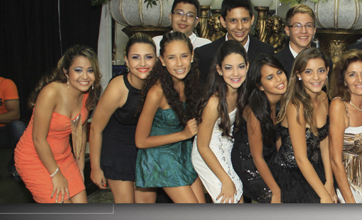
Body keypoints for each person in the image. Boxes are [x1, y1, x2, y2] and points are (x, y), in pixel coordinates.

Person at [14, 45, 102, 203]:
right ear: (66, 72)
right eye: (78, 70)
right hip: (34, 157)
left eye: (90, 70)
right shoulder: (51, 93)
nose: (85, 76)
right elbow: (38, 139)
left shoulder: (88, 94)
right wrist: (56, 173)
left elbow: (80, 131)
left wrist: (80, 166)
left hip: (64, 157)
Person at [135, 32, 206, 203]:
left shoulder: (190, 83)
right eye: (172, 58)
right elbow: (140, 141)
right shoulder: (157, 92)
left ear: (192, 56)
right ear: (162, 60)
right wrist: (183, 134)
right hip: (160, 156)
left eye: (184, 56)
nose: (179, 63)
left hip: (182, 151)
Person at [88, 34, 157, 203]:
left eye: (148, 57)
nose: (142, 63)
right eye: (135, 57)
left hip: (145, 148)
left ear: (157, 59)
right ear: (126, 60)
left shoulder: (160, 85)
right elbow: (96, 128)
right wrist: (95, 168)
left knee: (148, 204)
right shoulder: (117, 88)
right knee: (126, 206)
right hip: (117, 148)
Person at [271, 48, 336, 203]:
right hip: (291, 173)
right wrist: (324, 195)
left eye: (321, 70)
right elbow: (300, 158)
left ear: (327, 71)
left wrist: (329, 182)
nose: (316, 77)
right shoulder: (296, 106)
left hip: (315, 167)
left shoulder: (323, 97)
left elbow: (324, 142)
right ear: (298, 74)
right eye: (308, 72)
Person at [191, 41, 248, 203]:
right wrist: (225, 180)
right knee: (229, 197)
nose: (235, 73)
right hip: (206, 152)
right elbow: (202, 146)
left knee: (238, 199)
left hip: (226, 146)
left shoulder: (240, 93)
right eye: (228, 68)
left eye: (240, 66)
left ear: (247, 66)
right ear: (219, 70)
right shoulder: (214, 102)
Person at [230, 54, 286, 203]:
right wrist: (276, 191)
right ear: (260, 86)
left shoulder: (282, 102)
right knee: (274, 198)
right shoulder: (255, 112)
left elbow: (279, 139)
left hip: (270, 157)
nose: (278, 79)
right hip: (249, 162)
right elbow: (257, 157)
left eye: (279, 72)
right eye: (270, 77)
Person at [329, 50, 362, 203]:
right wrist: (350, 201)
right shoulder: (339, 106)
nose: (360, 79)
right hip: (350, 188)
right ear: (344, 80)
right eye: (352, 74)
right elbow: (335, 160)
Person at [195, 0, 275, 77]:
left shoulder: (266, 52)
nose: (240, 27)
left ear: (252, 19)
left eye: (244, 20)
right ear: (223, 21)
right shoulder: (206, 54)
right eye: (233, 21)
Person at [0, 75, 26, 181]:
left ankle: (16, 166)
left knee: (18, 126)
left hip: (5, 130)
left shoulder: (4, 83)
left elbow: (15, 114)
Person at [274, 4, 318, 77]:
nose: (304, 31)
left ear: (314, 30)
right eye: (297, 25)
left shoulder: (323, 61)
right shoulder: (275, 63)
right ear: (287, 30)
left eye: (308, 25)